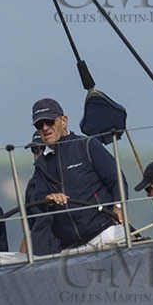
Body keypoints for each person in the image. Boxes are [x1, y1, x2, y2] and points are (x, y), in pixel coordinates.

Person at [28, 97, 127, 250]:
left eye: (50, 122)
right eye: (40, 125)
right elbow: (36, 200)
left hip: (105, 233)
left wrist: (119, 207)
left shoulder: (87, 145)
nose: (45, 128)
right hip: (70, 246)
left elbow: (116, 178)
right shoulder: (41, 165)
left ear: (63, 121)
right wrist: (47, 198)